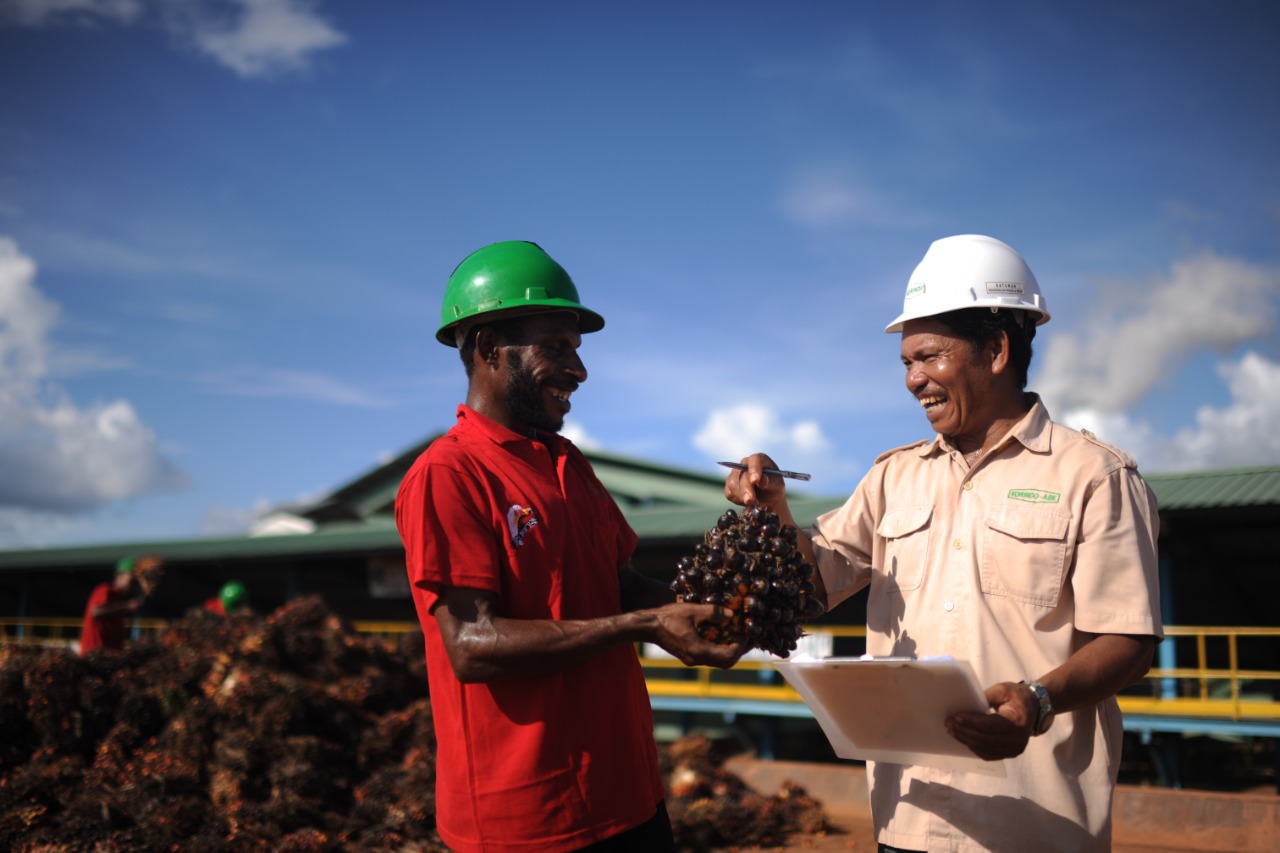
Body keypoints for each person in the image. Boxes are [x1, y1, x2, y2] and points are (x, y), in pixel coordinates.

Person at [724, 234, 1162, 853]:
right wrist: (773, 514)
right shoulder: (892, 476)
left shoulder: (1094, 475)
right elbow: (812, 584)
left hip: (1034, 825)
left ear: (997, 350)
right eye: (905, 363)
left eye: (928, 357)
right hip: (908, 818)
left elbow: (1128, 638)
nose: (912, 380)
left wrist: (1038, 701)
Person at [395, 240, 745, 853]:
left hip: (629, 796)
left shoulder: (569, 466)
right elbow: (471, 646)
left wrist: (716, 608)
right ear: (487, 349)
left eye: (577, 351)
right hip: (526, 822)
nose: (578, 371)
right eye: (555, 348)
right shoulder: (448, 474)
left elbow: (623, 583)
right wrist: (644, 623)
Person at [79, 554, 162, 654]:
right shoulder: (105, 590)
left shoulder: (118, 599)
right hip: (93, 656)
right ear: (120, 575)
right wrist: (127, 606)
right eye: (132, 579)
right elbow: (96, 611)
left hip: (108, 657)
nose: (133, 584)